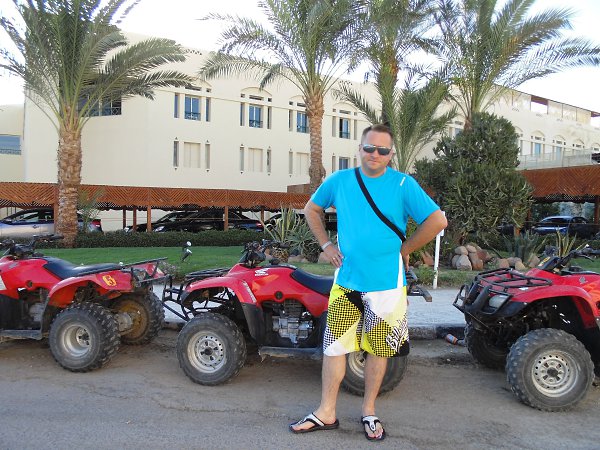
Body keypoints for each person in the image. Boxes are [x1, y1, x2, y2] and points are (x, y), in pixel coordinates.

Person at [289, 124, 447, 441]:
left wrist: (405, 249)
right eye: (369, 148)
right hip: (347, 283)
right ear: (359, 149)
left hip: (387, 286)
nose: (375, 154)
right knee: (335, 348)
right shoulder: (340, 180)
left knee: (379, 350)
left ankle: (369, 411)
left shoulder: (403, 184)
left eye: (382, 150)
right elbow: (311, 209)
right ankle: (326, 412)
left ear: (391, 154)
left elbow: (437, 220)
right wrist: (326, 245)